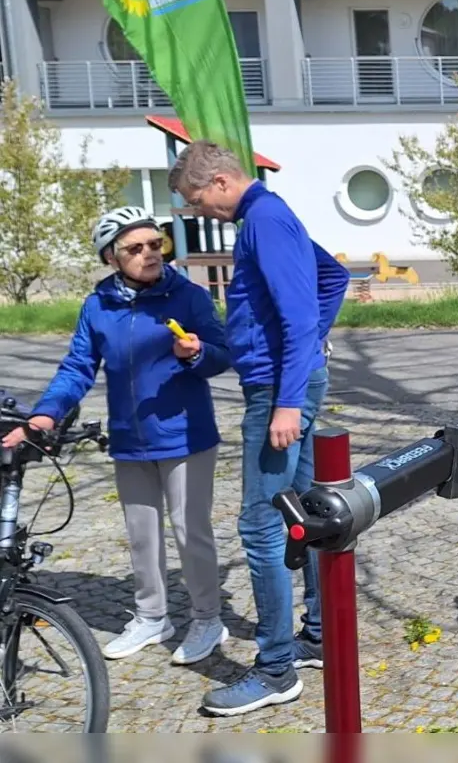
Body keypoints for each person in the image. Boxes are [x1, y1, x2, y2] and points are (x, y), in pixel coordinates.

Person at [167, 141, 349, 717]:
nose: (203, 216)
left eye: (201, 204)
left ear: (221, 181)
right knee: (306, 514)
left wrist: (290, 399)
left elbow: (297, 316)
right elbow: (334, 277)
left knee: (262, 527)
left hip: (276, 396)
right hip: (279, 385)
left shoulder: (264, 221)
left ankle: (275, 670)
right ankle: (317, 636)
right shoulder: (268, 218)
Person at [2, 207, 231, 665]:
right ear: (111, 257)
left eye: (156, 243)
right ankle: (151, 616)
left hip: (186, 436)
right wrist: (46, 415)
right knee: (141, 534)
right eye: (136, 248)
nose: (150, 253)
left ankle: (208, 618)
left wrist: (197, 353)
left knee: (191, 533)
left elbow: (223, 354)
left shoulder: (187, 296)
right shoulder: (98, 305)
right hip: (130, 438)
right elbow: (78, 367)